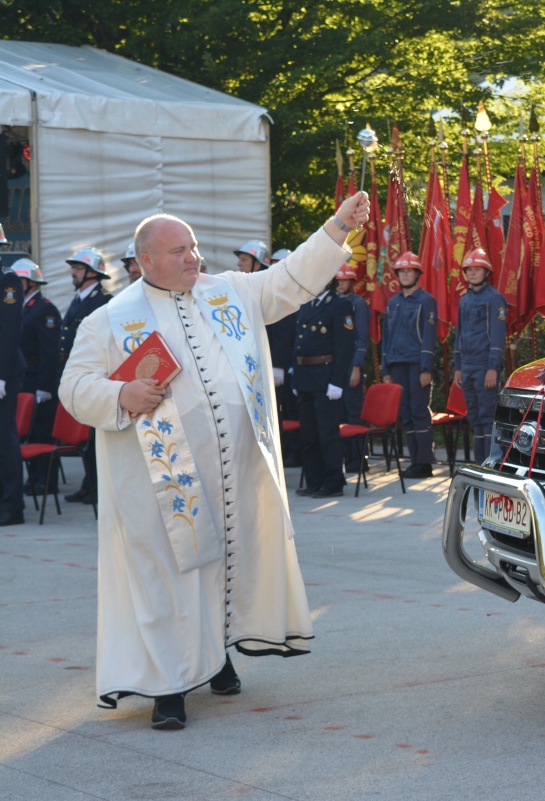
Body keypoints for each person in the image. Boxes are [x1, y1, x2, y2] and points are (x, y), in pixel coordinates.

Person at [58, 192, 370, 730]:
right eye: (179, 251)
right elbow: (73, 387)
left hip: (235, 471)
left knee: (225, 566)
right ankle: (169, 687)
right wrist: (121, 394)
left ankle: (217, 655)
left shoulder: (231, 292)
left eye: (195, 247)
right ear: (146, 261)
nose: (193, 258)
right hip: (161, 482)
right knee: (170, 580)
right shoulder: (111, 320)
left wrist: (338, 226)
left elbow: (292, 279)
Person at [292, 271, 355, 497]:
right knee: (308, 434)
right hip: (305, 376)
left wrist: (337, 382)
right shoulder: (306, 304)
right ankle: (314, 480)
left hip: (326, 377)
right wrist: (295, 374)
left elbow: (344, 347)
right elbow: (297, 342)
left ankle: (333, 482)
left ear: (329, 279)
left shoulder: (340, 305)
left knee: (327, 433)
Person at [60, 246, 111, 505]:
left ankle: (96, 488)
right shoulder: (80, 298)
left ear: (93, 273)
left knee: (93, 439)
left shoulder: (103, 300)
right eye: (74, 268)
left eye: (78, 268)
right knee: (86, 442)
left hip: (95, 377)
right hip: (77, 375)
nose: (73, 272)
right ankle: (88, 484)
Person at [381, 251, 438, 478]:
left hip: (416, 364)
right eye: (401, 271)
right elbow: (386, 337)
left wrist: (426, 368)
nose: (405, 275)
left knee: (418, 411)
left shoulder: (426, 301)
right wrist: (385, 369)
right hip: (396, 365)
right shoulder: (392, 303)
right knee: (405, 413)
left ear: (417, 274)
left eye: (409, 271)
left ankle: (424, 463)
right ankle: (414, 461)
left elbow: (429, 336)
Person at [452, 247, 507, 464]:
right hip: (467, 366)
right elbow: (460, 334)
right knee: (474, 416)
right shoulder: (465, 300)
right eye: (469, 269)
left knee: (487, 416)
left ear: (486, 272)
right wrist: (458, 366)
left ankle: (492, 462)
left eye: (477, 269)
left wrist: (493, 367)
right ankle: (479, 462)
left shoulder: (495, 299)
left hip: (485, 366)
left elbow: (497, 336)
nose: (472, 273)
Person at [13, 259, 62, 495]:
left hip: (38, 380)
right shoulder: (22, 306)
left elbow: (49, 353)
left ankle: (46, 481)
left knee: (42, 429)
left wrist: (45, 386)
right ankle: (33, 479)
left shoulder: (45, 309)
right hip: (24, 379)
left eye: (19, 280)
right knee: (27, 431)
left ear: (30, 282)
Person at [267, 248, 300, 466]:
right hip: (277, 365)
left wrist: (283, 364)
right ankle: (286, 450)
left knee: (292, 409)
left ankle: (296, 452)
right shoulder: (273, 293)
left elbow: (290, 333)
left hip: (292, 364)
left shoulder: (296, 294)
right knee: (279, 411)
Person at [335, 265, 369, 472]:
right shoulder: (336, 303)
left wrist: (357, 366)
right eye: (338, 280)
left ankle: (359, 459)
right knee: (339, 415)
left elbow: (362, 339)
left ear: (352, 282)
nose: (340, 283)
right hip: (338, 366)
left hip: (351, 366)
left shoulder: (358, 304)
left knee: (354, 413)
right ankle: (347, 457)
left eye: (344, 280)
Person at [0, 257, 25, 527]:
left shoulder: (6, 279)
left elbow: (8, 330)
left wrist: (2, 375)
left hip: (4, 370)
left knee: (4, 439)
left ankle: (12, 505)